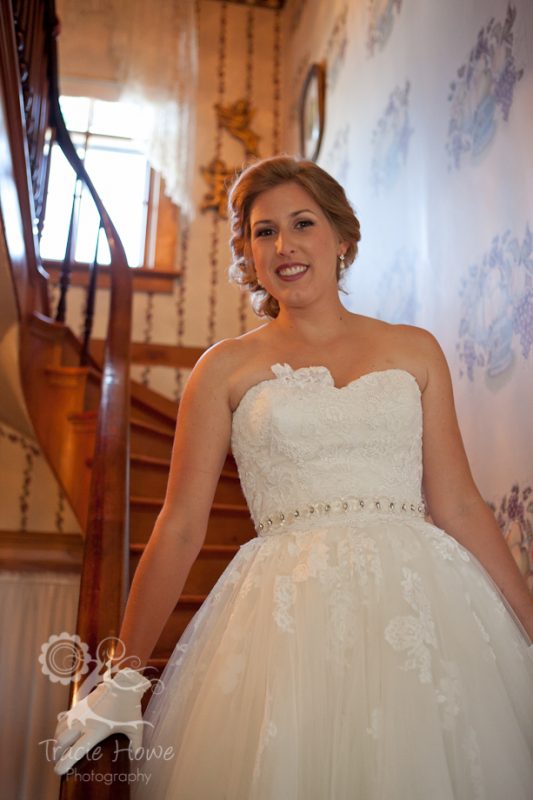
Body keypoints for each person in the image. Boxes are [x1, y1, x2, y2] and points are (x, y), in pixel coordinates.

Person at [53, 155, 533, 798]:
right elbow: (180, 525)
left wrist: (528, 623)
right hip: (284, 621)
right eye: (263, 231)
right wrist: (121, 676)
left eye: (302, 223)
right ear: (248, 255)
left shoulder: (415, 349)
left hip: (421, 610)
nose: (284, 245)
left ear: (343, 238)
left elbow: (462, 505)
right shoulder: (222, 369)